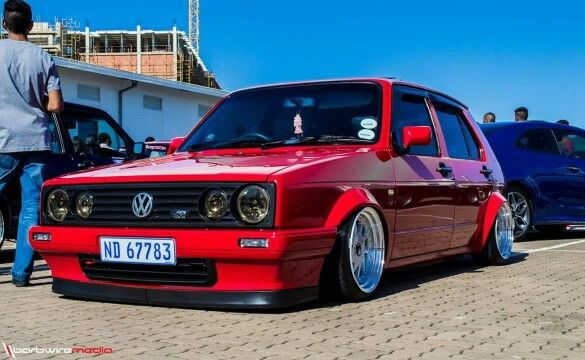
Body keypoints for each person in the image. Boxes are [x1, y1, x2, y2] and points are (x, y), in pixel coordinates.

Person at [0, 0, 64, 287]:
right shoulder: (43, 58)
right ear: (31, 26)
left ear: (4, 24)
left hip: (2, 140)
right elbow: (55, 105)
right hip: (36, 141)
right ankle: (21, 274)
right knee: (30, 208)